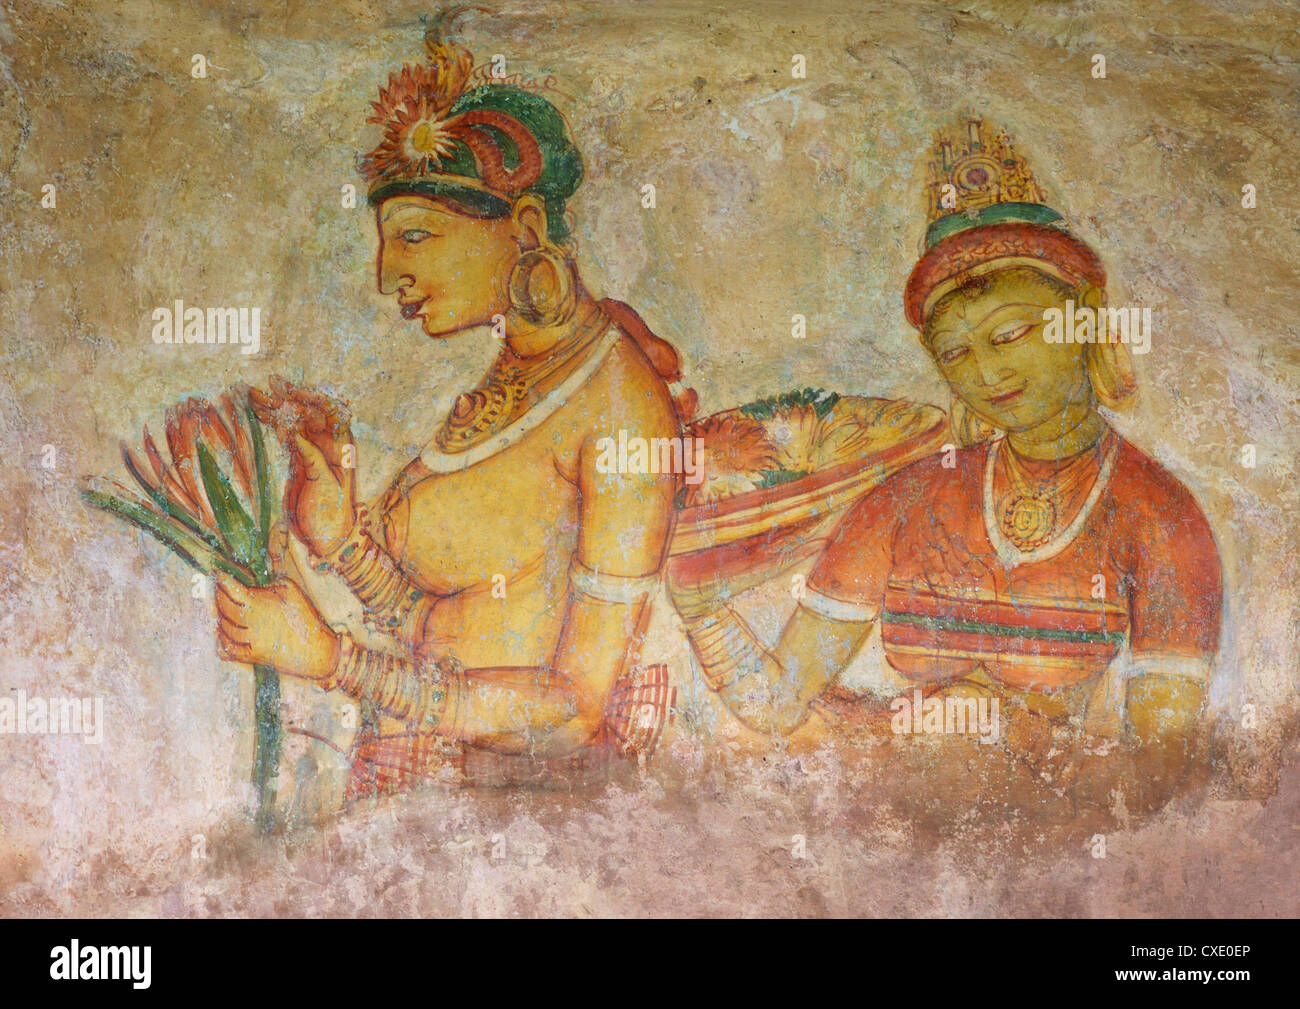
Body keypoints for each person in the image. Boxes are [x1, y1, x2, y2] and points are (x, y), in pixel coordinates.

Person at [667, 115, 1222, 811]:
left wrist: (1007, 731)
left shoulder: (1161, 517)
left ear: (1083, 324)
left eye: (1010, 333)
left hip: (1060, 845)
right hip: (894, 823)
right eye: (957, 353)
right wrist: (700, 607)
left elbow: (1156, 783)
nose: (988, 372)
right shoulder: (910, 497)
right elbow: (778, 702)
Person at [214, 20, 687, 795]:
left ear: (525, 229)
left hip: (519, 823)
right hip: (422, 792)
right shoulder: (516, 377)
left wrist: (332, 660)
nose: (385, 274)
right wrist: (340, 541)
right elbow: (447, 625)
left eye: (417, 236)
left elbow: (571, 708)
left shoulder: (620, 410)